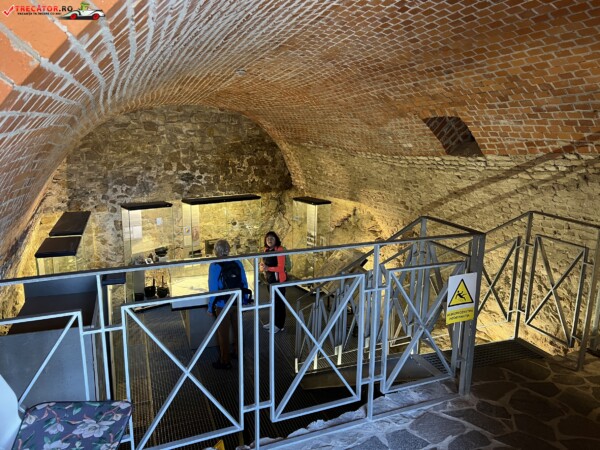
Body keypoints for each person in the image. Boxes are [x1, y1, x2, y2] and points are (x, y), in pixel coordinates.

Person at [207, 239, 249, 370]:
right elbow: (244, 282)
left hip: (222, 304)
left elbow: (213, 289)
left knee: (223, 334)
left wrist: (210, 308)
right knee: (238, 330)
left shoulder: (214, 266)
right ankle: (237, 353)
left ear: (216, 251)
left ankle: (225, 361)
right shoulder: (237, 262)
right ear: (228, 249)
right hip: (237, 302)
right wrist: (244, 300)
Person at [259, 231, 287, 333]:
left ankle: (279, 325)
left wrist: (268, 268)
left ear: (276, 240)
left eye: (272, 238)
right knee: (273, 301)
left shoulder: (280, 250)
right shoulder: (266, 250)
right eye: (268, 238)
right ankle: (273, 322)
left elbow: (281, 268)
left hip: (279, 281)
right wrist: (262, 266)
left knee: (279, 302)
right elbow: (263, 263)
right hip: (270, 280)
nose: (269, 240)